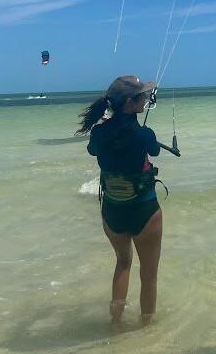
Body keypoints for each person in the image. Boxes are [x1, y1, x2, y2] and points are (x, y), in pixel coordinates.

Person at [76, 75, 163, 324]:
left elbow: (93, 149)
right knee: (149, 276)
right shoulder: (144, 134)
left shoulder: (100, 132)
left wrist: (107, 125)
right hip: (144, 211)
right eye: (141, 95)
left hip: (112, 212)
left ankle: (115, 324)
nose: (145, 98)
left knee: (122, 263)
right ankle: (147, 329)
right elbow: (154, 150)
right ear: (129, 102)